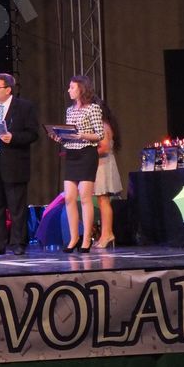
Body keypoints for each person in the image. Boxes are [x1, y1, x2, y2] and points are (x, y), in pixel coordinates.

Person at [0, 73, 39, 256]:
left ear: (8, 89)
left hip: (14, 165)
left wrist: (13, 137)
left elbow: (33, 134)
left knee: (16, 207)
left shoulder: (24, 107)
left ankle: (18, 243)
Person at [55, 75, 104, 253]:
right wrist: (60, 137)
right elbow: (69, 134)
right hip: (72, 154)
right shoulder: (70, 110)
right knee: (69, 197)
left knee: (84, 197)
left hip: (86, 154)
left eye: (72, 87)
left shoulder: (93, 108)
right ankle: (74, 237)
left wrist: (82, 135)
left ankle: (86, 239)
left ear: (81, 89)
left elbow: (100, 135)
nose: (69, 90)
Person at [94, 99, 122, 249]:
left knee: (103, 200)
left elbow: (104, 148)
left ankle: (108, 234)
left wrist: (86, 153)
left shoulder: (103, 126)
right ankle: (105, 234)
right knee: (101, 200)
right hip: (101, 164)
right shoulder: (103, 125)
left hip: (103, 165)